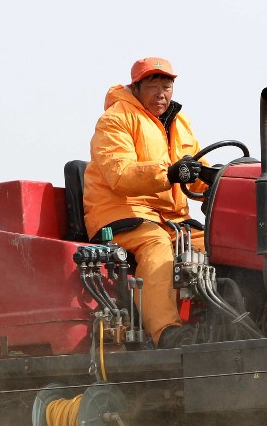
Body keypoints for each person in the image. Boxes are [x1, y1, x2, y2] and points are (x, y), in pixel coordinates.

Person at [82, 57, 211, 348]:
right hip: (120, 214)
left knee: (219, 244)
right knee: (156, 246)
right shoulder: (115, 119)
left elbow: (196, 168)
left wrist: (221, 179)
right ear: (136, 87)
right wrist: (167, 173)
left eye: (167, 85)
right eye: (153, 84)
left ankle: (227, 324)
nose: (161, 92)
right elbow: (120, 173)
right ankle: (166, 332)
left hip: (170, 220)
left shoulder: (179, 122)